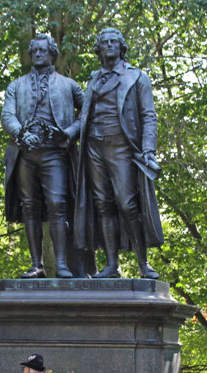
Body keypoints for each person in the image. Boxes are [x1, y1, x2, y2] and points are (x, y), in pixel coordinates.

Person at [74, 28, 164, 279]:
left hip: (122, 146)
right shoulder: (93, 80)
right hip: (93, 146)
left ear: (121, 47)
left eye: (114, 41)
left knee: (127, 203)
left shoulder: (136, 77)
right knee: (103, 205)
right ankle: (112, 265)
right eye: (104, 42)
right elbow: (84, 115)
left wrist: (148, 148)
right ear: (99, 49)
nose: (109, 45)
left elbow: (148, 115)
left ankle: (143, 263)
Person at [1, 34, 84, 279]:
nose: (37, 54)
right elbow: (7, 116)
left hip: (55, 153)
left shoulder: (69, 85)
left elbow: (89, 110)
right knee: (30, 208)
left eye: (42, 50)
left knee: (58, 205)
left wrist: (70, 132)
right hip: (25, 154)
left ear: (52, 54)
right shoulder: (16, 86)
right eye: (34, 50)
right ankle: (36, 265)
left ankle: (60, 264)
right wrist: (20, 133)